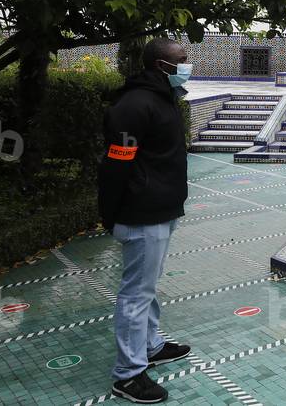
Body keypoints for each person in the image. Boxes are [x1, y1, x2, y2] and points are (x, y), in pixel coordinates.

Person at [98, 37, 193, 403]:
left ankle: (151, 345)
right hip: (142, 213)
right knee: (135, 294)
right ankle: (128, 374)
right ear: (160, 65)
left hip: (162, 210)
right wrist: (110, 213)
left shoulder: (163, 97)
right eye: (181, 60)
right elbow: (116, 164)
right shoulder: (134, 105)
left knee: (147, 286)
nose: (187, 64)